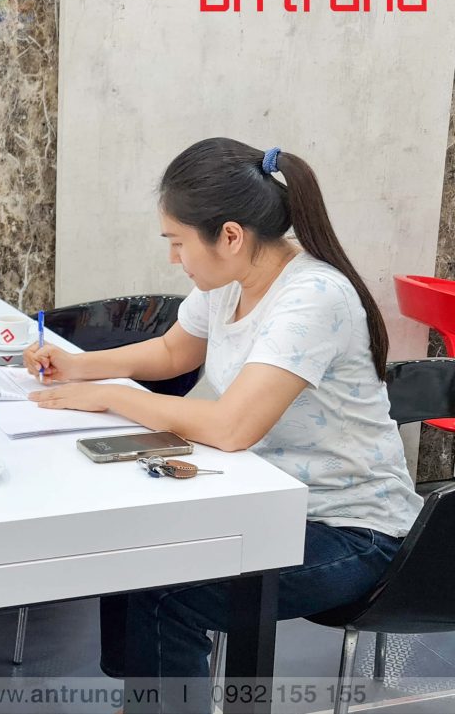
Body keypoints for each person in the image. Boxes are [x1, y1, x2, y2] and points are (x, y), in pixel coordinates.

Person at [23, 138, 422, 713]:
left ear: (230, 236)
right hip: (270, 501)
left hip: (354, 530)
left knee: (168, 597)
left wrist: (112, 396)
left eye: (177, 242)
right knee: (130, 552)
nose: (174, 258)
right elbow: (171, 352)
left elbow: (233, 428)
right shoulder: (231, 281)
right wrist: (77, 367)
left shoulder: (313, 297)